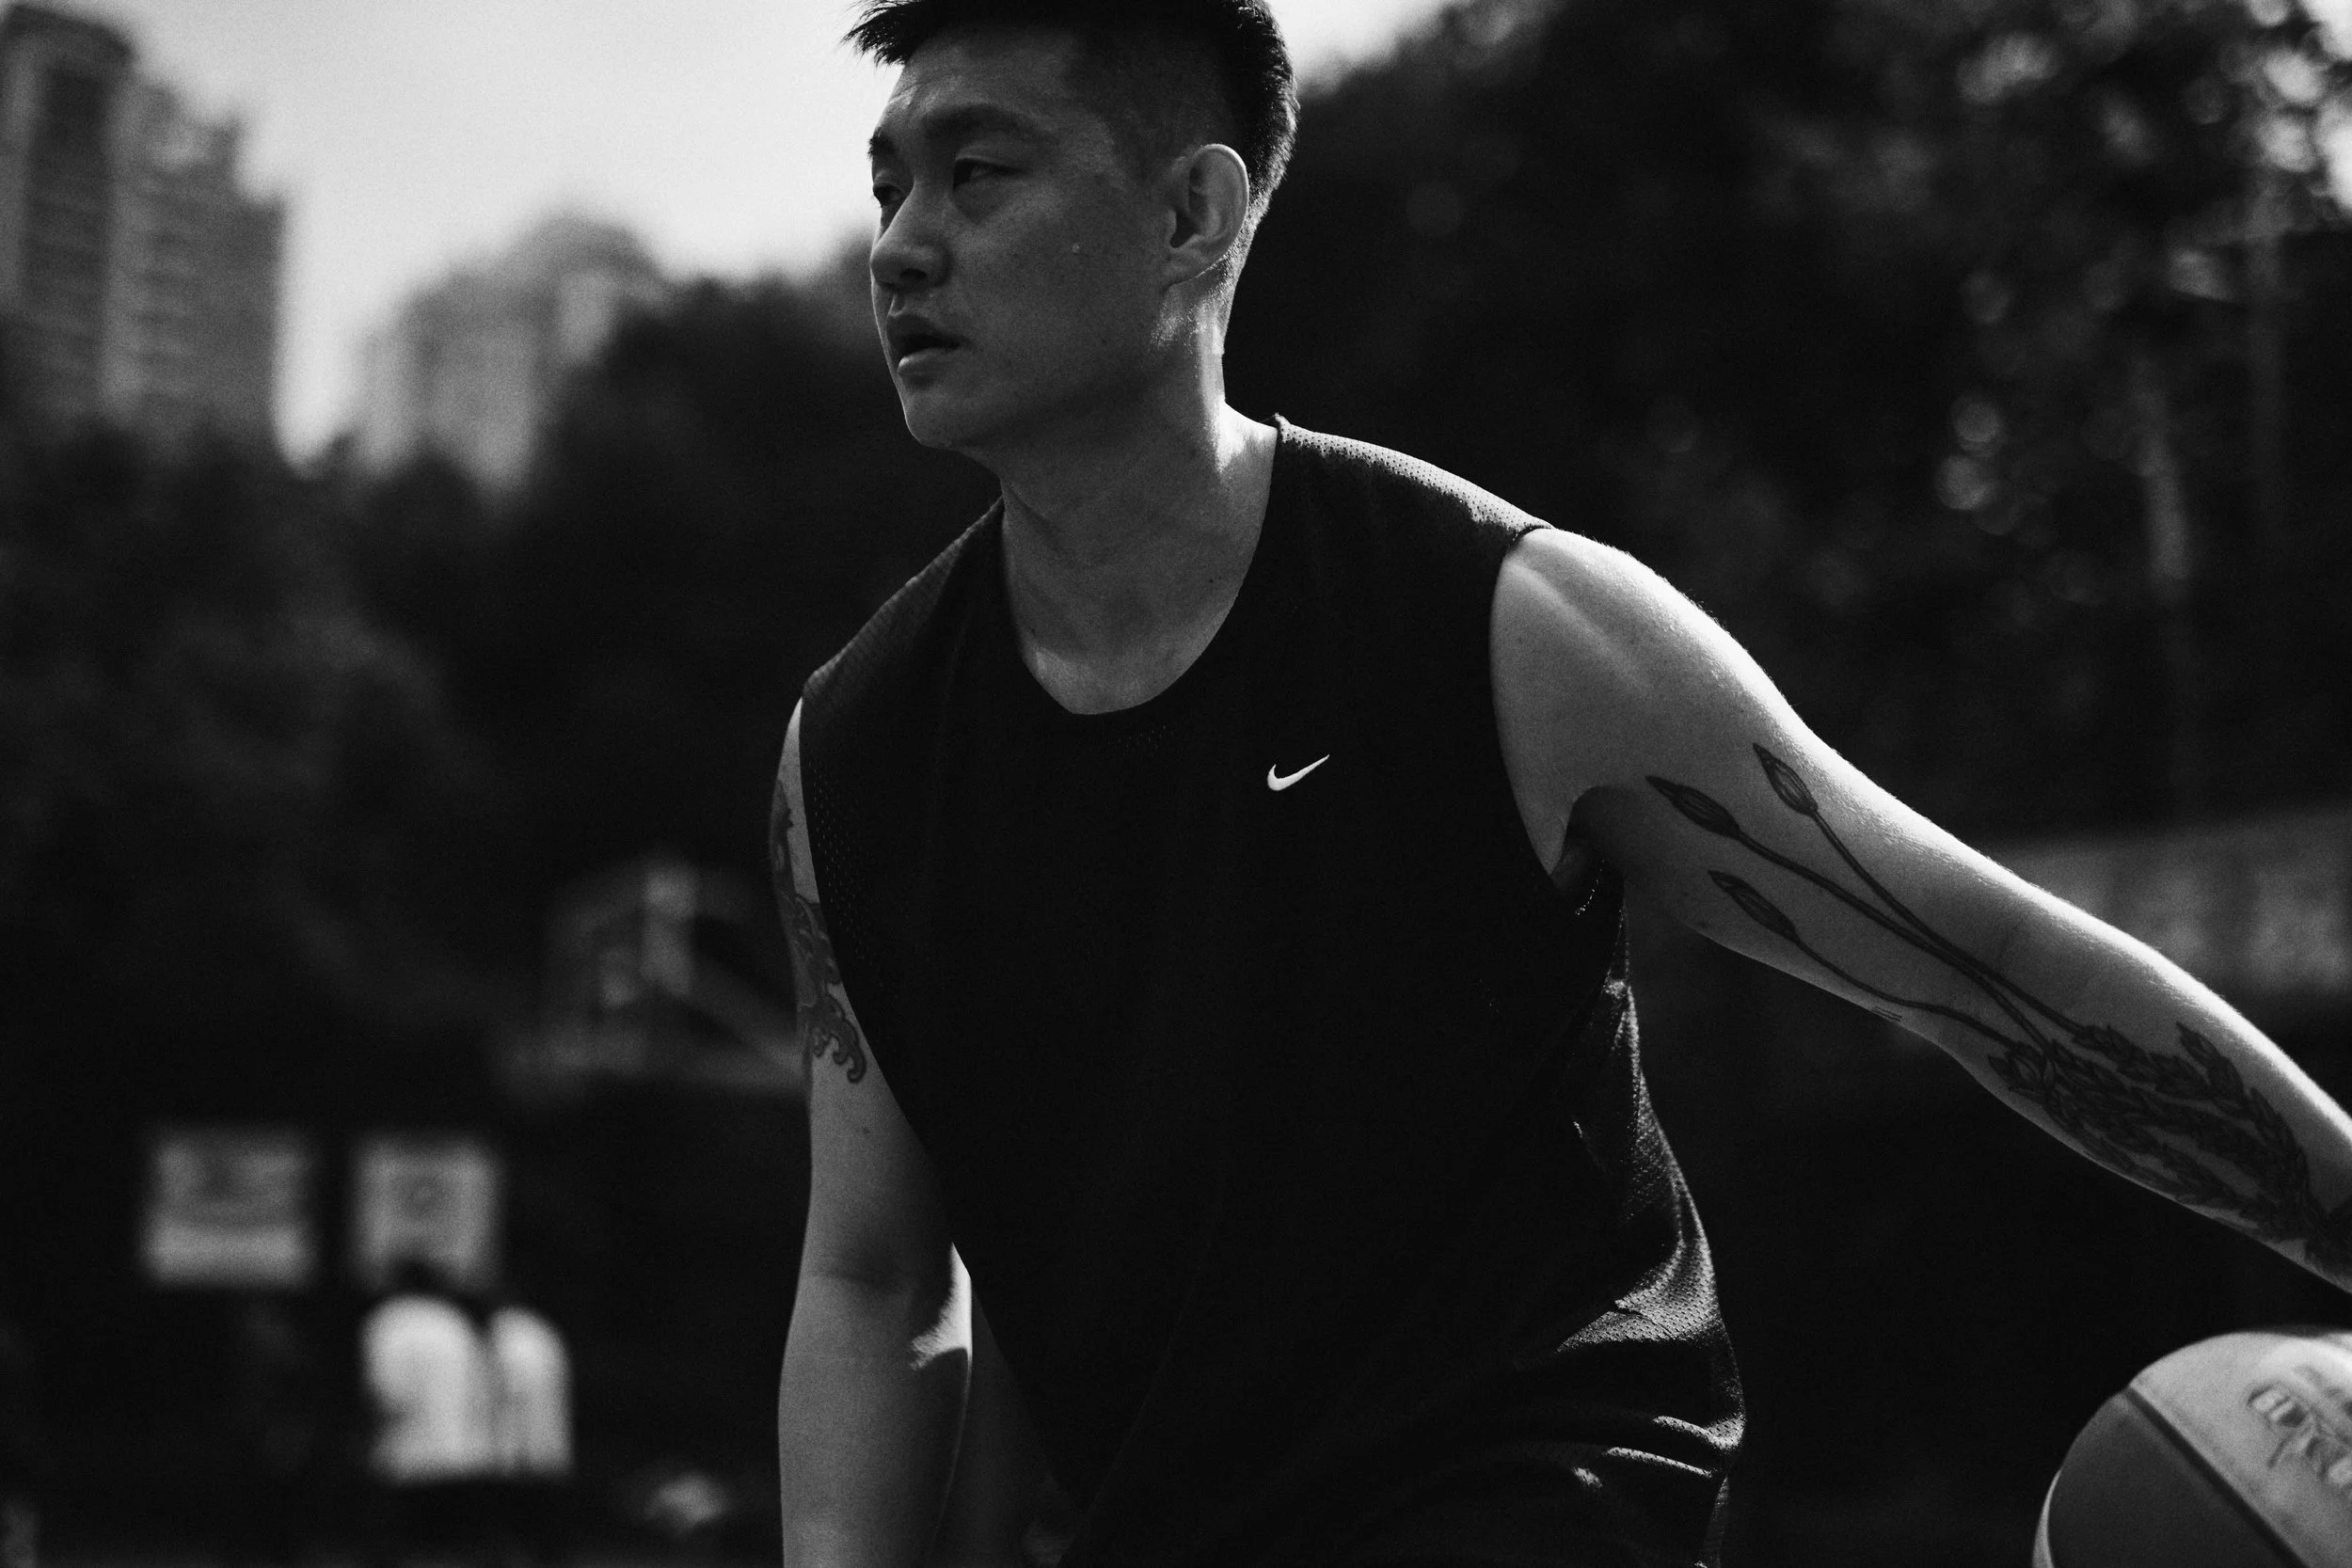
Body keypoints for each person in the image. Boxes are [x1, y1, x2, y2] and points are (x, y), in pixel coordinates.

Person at [769, 2, 2352, 1563]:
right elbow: (874, 1273)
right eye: (888, 186)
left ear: (1193, 214)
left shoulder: (1504, 629)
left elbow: (1972, 959)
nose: (902, 245)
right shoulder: (858, 753)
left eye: (978, 174)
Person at [361, 1261, 497, 1564]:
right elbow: (482, 1389)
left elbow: (384, 1392)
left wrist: (371, 1443)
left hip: (407, 1456)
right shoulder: (457, 1321)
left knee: (403, 1549)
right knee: (454, 1550)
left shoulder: (390, 1320)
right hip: (464, 1456)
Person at [484, 1295, 573, 1567]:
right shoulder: (541, 1332)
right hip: (547, 1443)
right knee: (544, 1522)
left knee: (516, 1520)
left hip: (518, 1448)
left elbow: (510, 1392)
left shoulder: (505, 1335)